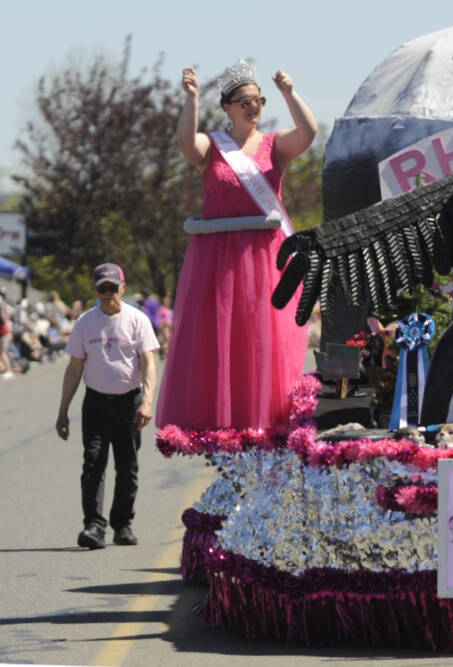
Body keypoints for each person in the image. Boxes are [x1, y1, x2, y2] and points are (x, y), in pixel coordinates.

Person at [156, 60, 317, 430]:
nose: (253, 106)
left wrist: (289, 93)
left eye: (258, 100)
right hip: (218, 261)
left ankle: (267, 423)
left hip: (265, 258)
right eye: (244, 101)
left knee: (264, 342)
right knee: (220, 344)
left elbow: (307, 133)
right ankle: (223, 425)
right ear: (227, 106)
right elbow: (185, 142)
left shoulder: (275, 146)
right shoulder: (212, 147)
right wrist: (191, 99)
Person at [56, 264, 159, 549]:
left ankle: (123, 524)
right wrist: (63, 411)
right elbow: (74, 369)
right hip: (96, 402)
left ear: (123, 288)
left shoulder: (137, 320)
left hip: (129, 402)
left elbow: (149, 365)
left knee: (128, 466)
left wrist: (147, 401)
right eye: (102, 288)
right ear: (95, 290)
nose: (107, 294)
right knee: (92, 464)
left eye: (112, 288)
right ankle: (94, 526)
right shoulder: (85, 323)